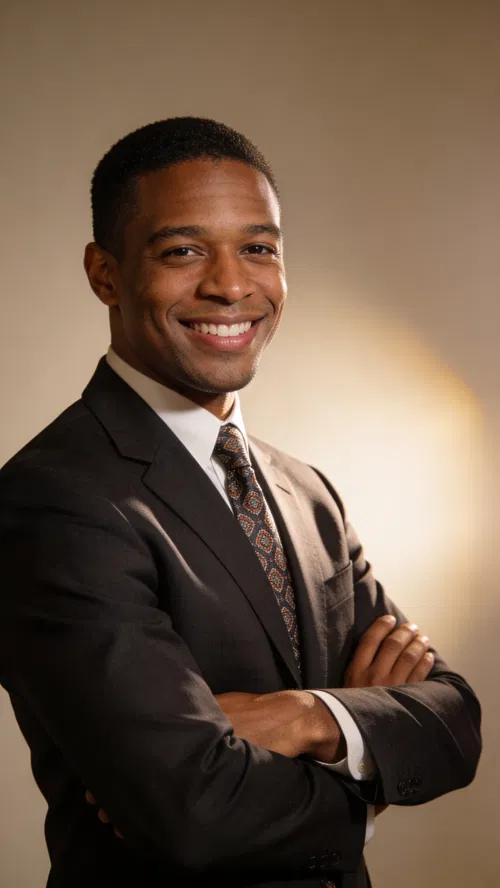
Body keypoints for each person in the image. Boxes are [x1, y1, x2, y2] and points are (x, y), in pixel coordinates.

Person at [0, 117, 481, 888]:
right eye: (183, 250)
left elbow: (456, 724)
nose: (231, 284)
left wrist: (306, 716)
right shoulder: (55, 500)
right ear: (106, 274)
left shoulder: (308, 493)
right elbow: (193, 812)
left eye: (259, 248)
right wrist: (368, 762)